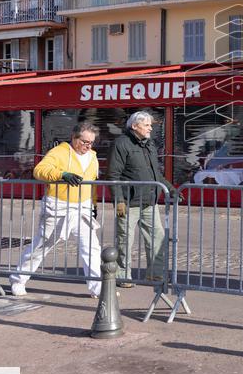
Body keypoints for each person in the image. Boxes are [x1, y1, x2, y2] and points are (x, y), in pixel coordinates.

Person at [10, 123, 102, 298]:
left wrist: (94, 205)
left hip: (82, 208)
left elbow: (93, 184)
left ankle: (97, 288)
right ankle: (18, 279)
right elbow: (40, 170)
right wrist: (62, 175)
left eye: (91, 142)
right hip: (58, 206)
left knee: (91, 247)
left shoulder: (92, 157)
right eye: (84, 142)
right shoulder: (59, 152)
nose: (88, 146)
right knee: (42, 245)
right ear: (74, 138)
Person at [109, 111, 167, 287]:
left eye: (150, 125)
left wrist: (171, 189)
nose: (150, 128)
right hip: (128, 202)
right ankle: (122, 276)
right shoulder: (121, 143)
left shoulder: (149, 144)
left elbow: (156, 173)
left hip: (149, 200)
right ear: (135, 126)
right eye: (147, 125)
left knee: (157, 236)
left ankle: (155, 274)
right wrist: (119, 200)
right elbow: (113, 174)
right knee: (125, 239)